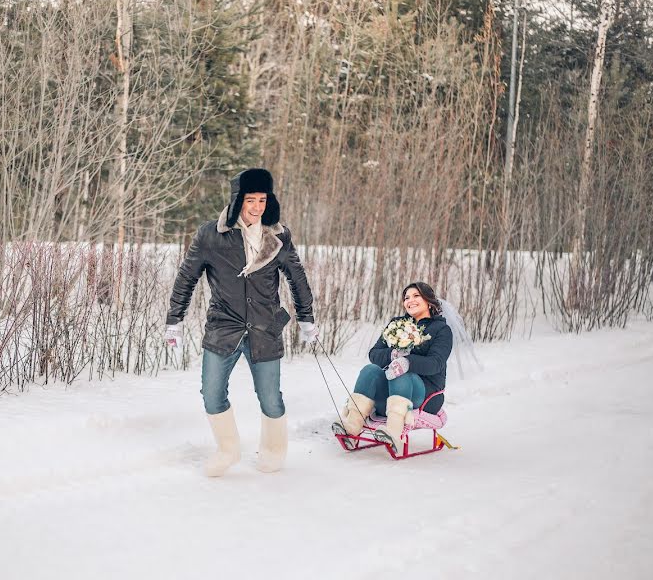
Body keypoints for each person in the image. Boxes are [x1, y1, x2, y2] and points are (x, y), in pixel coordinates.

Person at [164, 168, 317, 477]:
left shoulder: (278, 235)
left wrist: (306, 316)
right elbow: (186, 278)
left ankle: (274, 451)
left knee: (271, 398)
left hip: (265, 328)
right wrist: (174, 320)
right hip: (224, 327)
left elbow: (296, 276)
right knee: (211, 393)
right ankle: (227, 449)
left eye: (263, 199)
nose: (257, 206)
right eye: (251, 199)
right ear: (237, 200)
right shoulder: (211, 234)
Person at [335, 282, 453, 452]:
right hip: (391, 391)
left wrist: (408, 362)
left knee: (401, 374)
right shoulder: (397, 324)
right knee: (371, 370)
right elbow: (374, 353)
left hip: (426, 395)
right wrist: (392, 355)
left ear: (429, 300)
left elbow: (436, 363)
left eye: (416, 296)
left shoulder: (441, 329)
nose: (410, 300)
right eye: (406, 298)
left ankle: (394, 433)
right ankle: (352, 427)